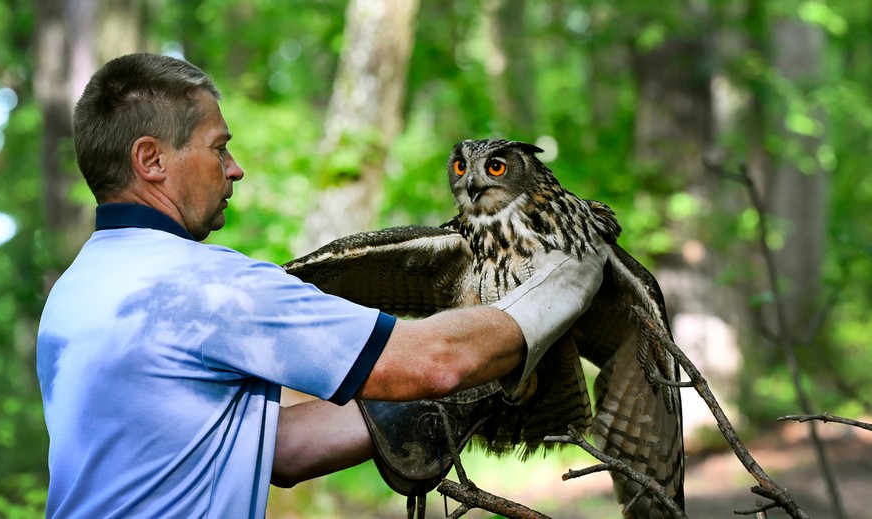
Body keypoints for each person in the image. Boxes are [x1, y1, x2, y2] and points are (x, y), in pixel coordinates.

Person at [36, 53, 605, 518]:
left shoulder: (78, 291)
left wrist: (445, 403)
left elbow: (273, 452)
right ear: (152, 160)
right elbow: (432, 360)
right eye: (218, 147)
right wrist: (554, 292)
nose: (234, 168)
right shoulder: (204, 287)